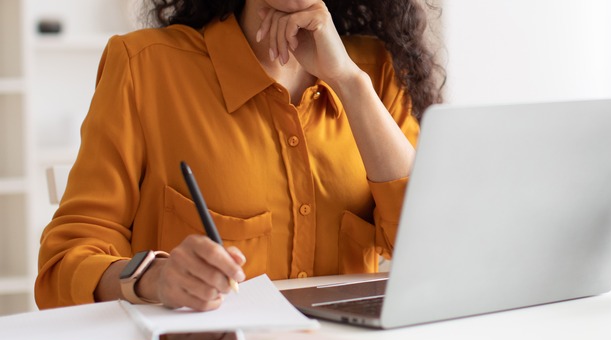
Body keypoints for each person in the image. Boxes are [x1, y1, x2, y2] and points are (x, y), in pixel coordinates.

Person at [35, 0, 444, 311]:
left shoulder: (375, 73)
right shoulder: (145, 68)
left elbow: (432, 254)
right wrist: (153, 279)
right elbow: (63, 265)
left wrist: (350, 83)